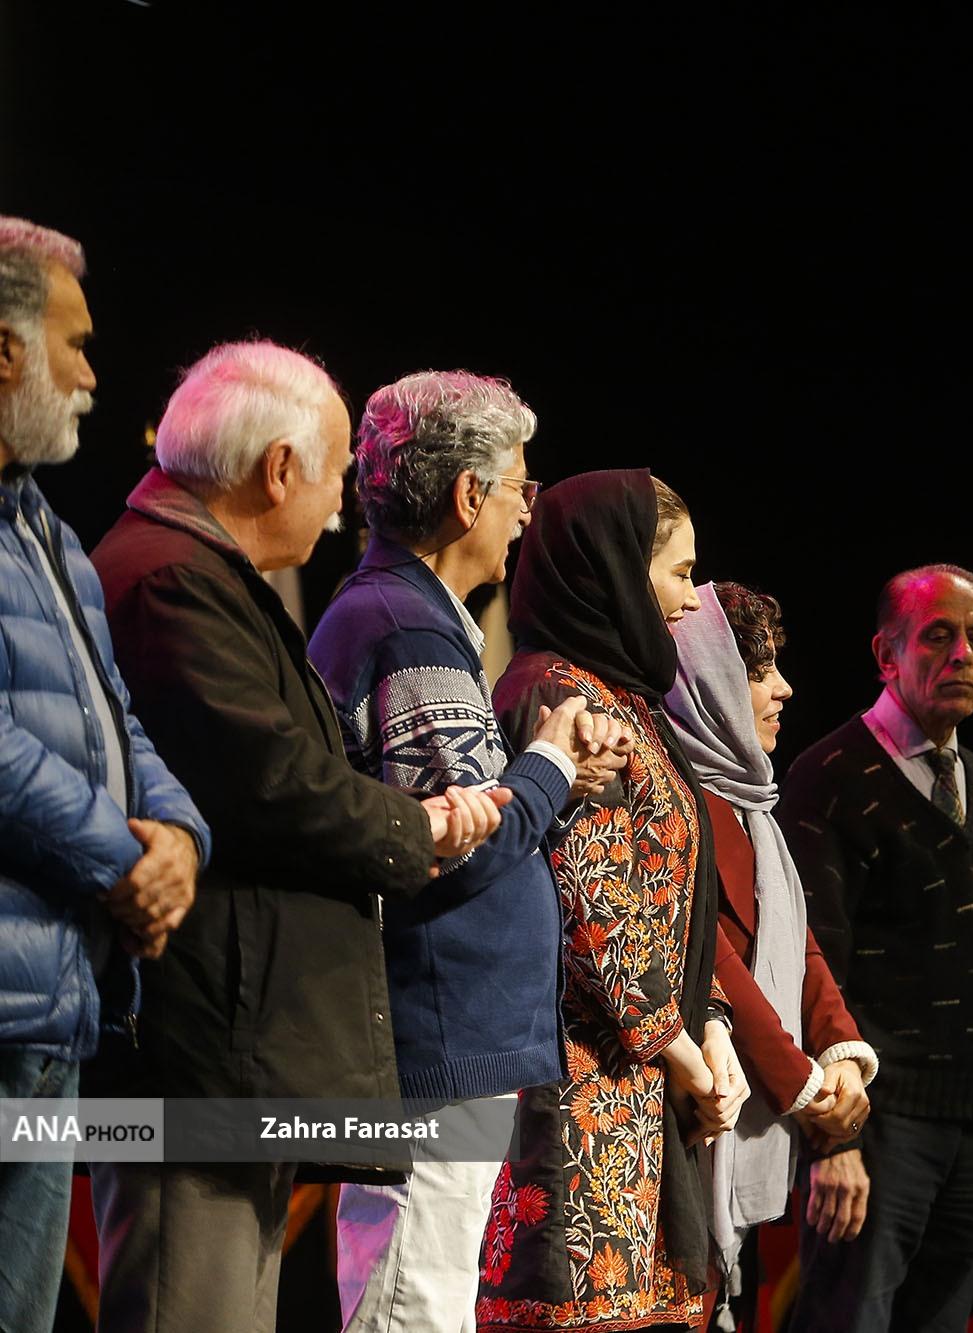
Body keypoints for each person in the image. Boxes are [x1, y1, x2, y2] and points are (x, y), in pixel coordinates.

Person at [88, 340, 509, 1333]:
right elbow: (270, 780)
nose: (342, 509)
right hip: (199, 1046)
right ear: (278, 468)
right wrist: (418, 824)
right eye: (333, 478)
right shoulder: (169, 579)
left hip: (232, 1042)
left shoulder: (197, 573)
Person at [309, 370, 637, 1332]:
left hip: (447, 1032)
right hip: (436, 1036)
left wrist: (557, 781)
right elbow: (455, 847)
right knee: (411, 1302)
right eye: (519, 485)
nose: (528, 509)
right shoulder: (407, 626)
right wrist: (550, 761)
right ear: (467, 495)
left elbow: (473, 819)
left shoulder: (412, 617)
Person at [0, 214, 210, 1332]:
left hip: (54, 1003)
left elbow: (114, 717)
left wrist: (178, 840)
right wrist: (118, 857)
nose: (91, 375)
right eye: (74, 345)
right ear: (3, 351)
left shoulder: (45, 530)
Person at [478, 470, 748, 1332]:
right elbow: (595, 906)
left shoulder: (626, 699)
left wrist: (712, 1028)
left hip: (640, 1090)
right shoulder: (558, 698)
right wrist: (687, 1055)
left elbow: (674, 904)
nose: (691, 600)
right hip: (576, 1096)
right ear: (617, 572)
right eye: (680, 572)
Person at [776, 563, 973, 1333]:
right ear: (886, 654)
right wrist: (832, 1140)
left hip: (972, 1134)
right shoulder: (831, 775)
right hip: (879, 1127)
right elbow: (809, 965)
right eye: (939, 635)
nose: (963, 654)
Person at [662, 582, 878, 1331]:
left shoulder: (753, 805)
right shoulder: (679, 799)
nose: (784, 688)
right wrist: (804, 1084)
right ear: (708, 686)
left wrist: (842, 1050)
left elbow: (797, 939)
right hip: (696, 1112)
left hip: (752, 1100)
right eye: (759, 672)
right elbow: (715, 959)